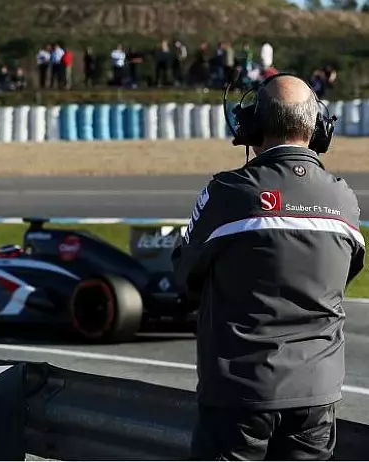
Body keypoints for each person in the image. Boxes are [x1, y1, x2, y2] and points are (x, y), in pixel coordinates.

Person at [171, 73, 365, 460]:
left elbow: (184, 274)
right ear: (318, 128)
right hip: (317, 396)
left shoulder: (228, 193)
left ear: (252, 126)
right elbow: (346, 275)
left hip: (240, 396)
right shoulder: (343, 198)